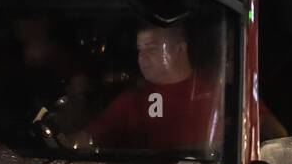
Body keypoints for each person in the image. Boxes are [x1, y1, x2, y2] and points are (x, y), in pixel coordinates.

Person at [78, 21, 222, 153]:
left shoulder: (216, 93)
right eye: (140, 49)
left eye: (151, 49)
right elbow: (91, 137)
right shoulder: (133, 100)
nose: (142, 57)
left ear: (180, 49)